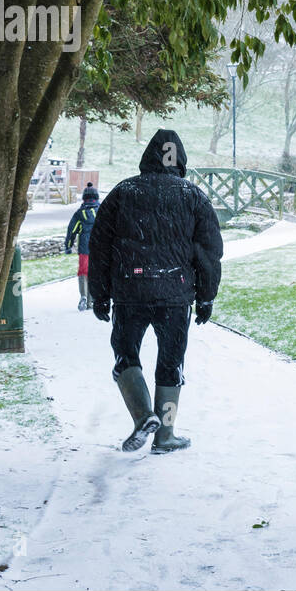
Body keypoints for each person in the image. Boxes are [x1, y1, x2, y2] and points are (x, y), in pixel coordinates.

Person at [88, 129, 223, 454]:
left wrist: (99, 293)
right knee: (171, 364)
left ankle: (141, 416)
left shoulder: (123, 192)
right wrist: (206, 296)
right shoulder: (193, 196)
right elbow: (209, 252)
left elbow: (99, 247)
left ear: (148, 156)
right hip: (176, 295)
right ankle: (165, 435)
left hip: (129, 292)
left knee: (125, 355)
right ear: (180, 159)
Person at [64, 182, 100, 311]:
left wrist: (68, 246)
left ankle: (84, 296)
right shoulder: (102, 211)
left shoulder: (80, 213)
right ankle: (93, 300)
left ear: (84, 199)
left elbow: (71, 231)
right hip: (99, 249)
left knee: (83, 272)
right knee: (96, 273)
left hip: (84, 248)